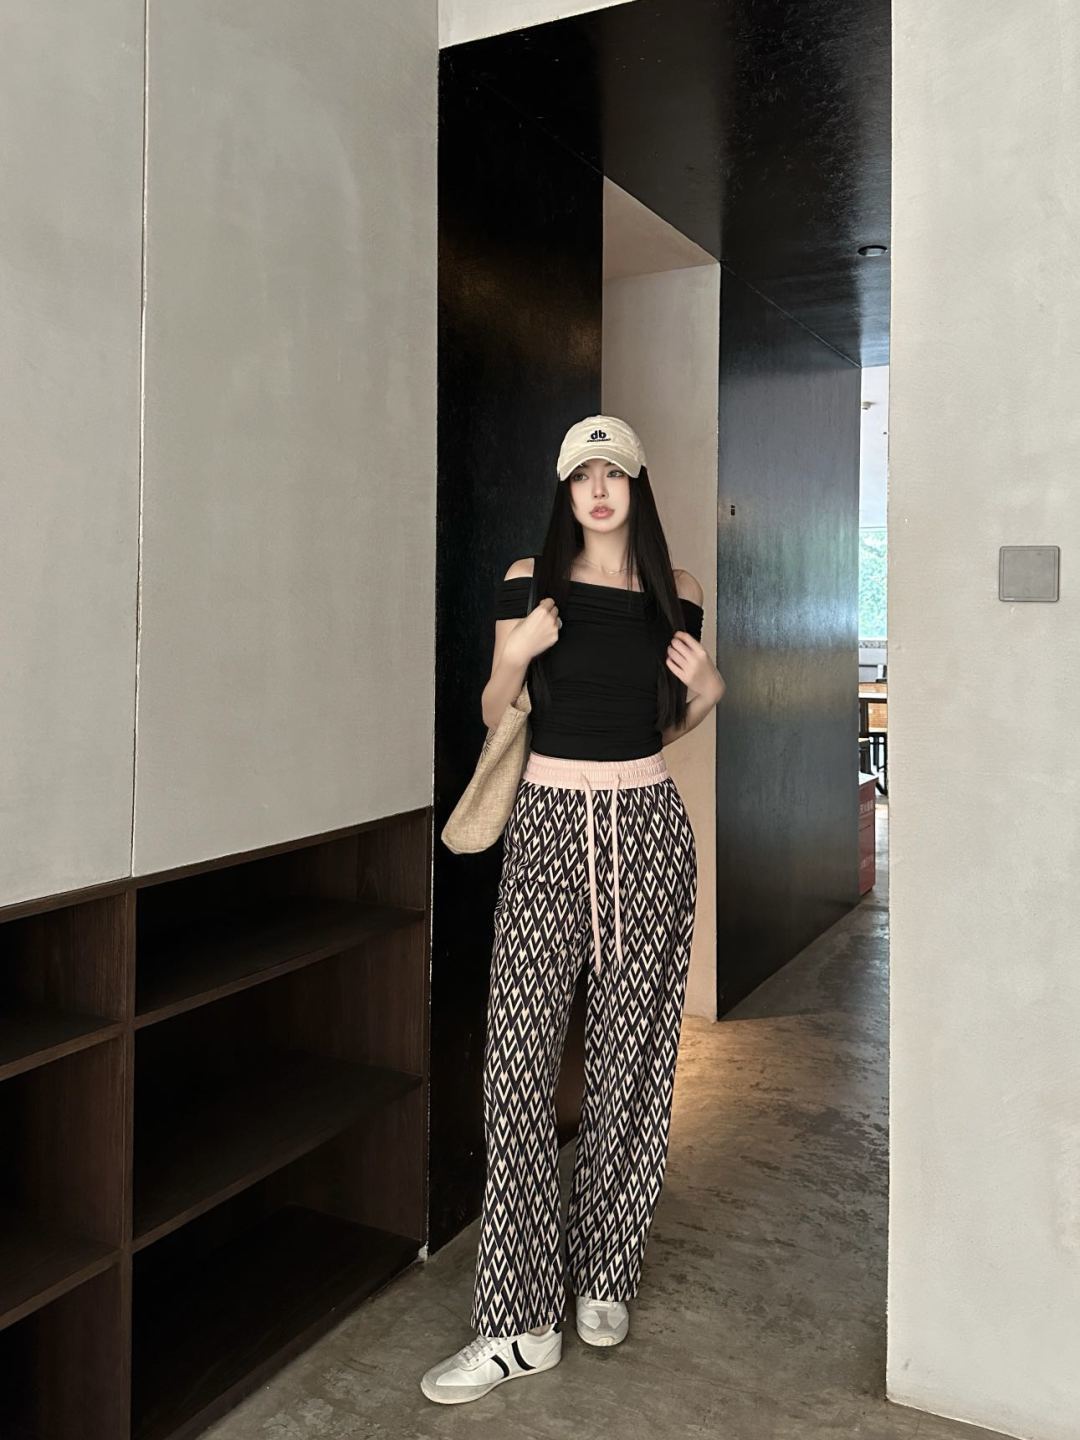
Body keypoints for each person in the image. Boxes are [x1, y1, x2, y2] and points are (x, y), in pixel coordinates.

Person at [421, 415, 726, 1405]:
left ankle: (605, 1274)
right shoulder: (530, 580)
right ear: (564, 490)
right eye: (583, 475)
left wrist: (711, 690)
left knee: (633, 1059)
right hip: (548, 824)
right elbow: (493, 709)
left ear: (637, 486)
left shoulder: (678, 592)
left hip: (647, 827)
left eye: (614, 474)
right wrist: (520, 651)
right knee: (515, 1068)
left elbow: (662, 722)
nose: (599, 489)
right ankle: (518, 1324)